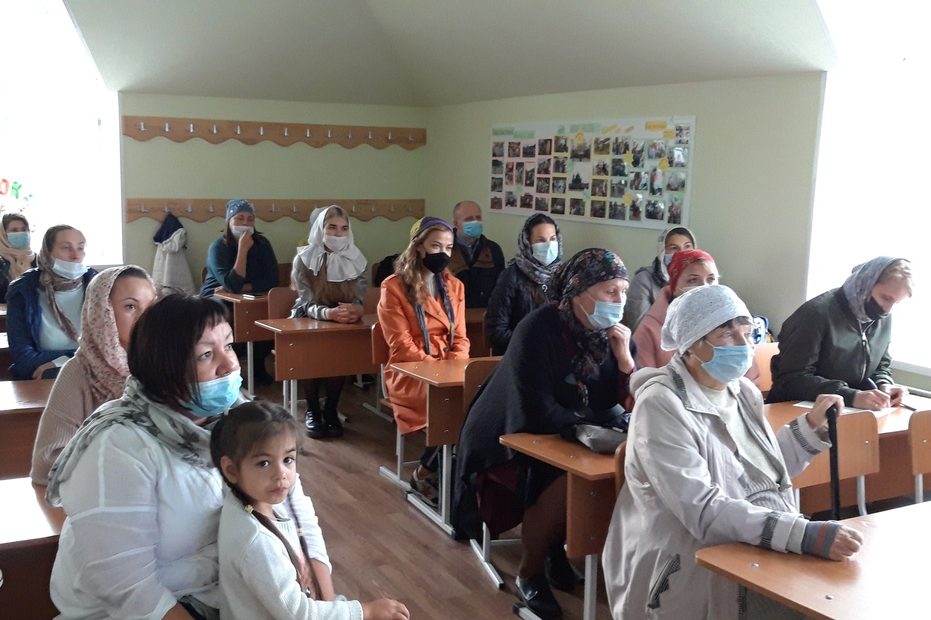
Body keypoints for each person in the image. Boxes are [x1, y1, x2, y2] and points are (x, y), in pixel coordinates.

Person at [46, 295, 336, 619]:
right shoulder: (119, 446)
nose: (230, 365)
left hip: (227, 594)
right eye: (206, 355)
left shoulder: (243, 421)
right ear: (164, 370)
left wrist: (324, 599)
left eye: (228, 346)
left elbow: (295, 509)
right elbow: (129, 589)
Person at [602, 285, 863, 619]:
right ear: (692, 343)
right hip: (693, 569)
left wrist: (810, 428)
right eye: (727, 334)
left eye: (748, 332)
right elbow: (702, 510)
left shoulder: (741, 392)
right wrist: (802, 534)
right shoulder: (661, 405)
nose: (743, 344)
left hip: (754, 550)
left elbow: (758, 474)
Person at [454, 248, 635, 620]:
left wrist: (624, 360)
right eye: (609, 291)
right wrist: (587, 427)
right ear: (578, 291)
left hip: (571, 429)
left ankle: (555, 547)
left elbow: (616, 404)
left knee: (596, 470)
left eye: (623, 291)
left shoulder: (610, 334)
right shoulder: (538, 328)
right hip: (509, 432)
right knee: (559, 477)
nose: (619, 301)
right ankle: (531, 571)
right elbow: (533, 408)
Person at [212, 400, 410, 620]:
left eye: (288, 459)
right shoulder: (256, 542)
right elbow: (299, 614)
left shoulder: (251, 500)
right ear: (231, 470)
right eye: (264, 463)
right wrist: (367, 611)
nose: (281, 473)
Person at [30, 265, 157, 483]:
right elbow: (47, 462)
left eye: (151, 306)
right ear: (102, 312)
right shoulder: (79, 371)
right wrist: (132, 466)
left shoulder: (169, 365)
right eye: (130, 306)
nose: (145, 317)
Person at [378, 216, 469, 504]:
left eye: (448, 247)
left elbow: (461, 338)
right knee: (453, 407)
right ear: (418, 247)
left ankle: (447, 472)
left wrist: (452, 365)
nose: (443, 253)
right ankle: (428, 471)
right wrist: (436, 370)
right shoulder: (394, 287)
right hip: (412, 371)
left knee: (479, 404)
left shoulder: (455, 286)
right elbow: (401, 345)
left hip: (449, 368)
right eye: (436, 246)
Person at [768, 257, 913, 408]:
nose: (888, 309)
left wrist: (884, 384)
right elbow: (791, 380)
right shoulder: (815, 314)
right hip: (795, 409)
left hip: (848, 410)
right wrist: (851, 396)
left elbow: (881, 365)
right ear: (867, 285)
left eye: (896, 302)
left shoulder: (880, 316)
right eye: (886, 298)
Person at [291, 205, 367, 439]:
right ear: (320, 229)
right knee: (309, 356)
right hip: (309, 317)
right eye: (332, 227)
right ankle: (313, 409)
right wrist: (328, 314)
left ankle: (331, 408)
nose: (338, 233)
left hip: (341, 321)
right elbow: (305, 302)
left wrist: (357, 309)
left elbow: (359, 298)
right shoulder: (304, 259)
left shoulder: (356, 258)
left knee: (339, 356)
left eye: (343, 228)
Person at [201, 199, 278, 384]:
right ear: (229, 221)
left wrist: (244, 287)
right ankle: (228, 367)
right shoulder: (218, 247)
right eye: (240, 218)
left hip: (252, 297)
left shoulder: (263, 244)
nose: (245, 223)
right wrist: (242, 250)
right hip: (216, 297)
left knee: (270, 314)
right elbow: (232, 284)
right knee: (226, 314)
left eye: (250, 219)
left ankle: (257, 365)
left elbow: (273, 280)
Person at [7, 225, 97, 380]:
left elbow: (107, 351)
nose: (75, 256)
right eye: (66, 248)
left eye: (80, 248)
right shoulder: (22, 290)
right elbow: (24, 359)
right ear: (47, 252)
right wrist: (82, 358)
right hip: (41, 379)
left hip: (92, 377)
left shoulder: (97, 285)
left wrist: (59, 362)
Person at [485, 213, 563, 355]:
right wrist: (534, 344)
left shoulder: (563, 276)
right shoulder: (511, 276)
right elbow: (496, 332)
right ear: (528, 243)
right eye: (540, 240)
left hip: (553, 357)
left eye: (553, 239)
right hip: (517, 357)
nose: (548, 245)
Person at [632, 249, 718, 369]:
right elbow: (642, 379)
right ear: (675, 287)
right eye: (693, 280)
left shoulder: (727, 322)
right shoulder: (649, 330)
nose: (704, 287)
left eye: (711, 279)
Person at [621, 225, 696, 332]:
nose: (682, 253)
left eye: (687, 246)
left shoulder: (700, 279)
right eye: (674, 248)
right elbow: (641, 329)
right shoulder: (644, 280)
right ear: (663, 252)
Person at [448, 200, 505, 308]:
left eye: (478, 218)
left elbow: (501, 289)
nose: (475, 222)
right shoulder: (444, 250)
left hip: (484, 313)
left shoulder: (493, 249)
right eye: (469, 219)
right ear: (456, 223)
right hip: (454, 313)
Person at [0, 212, 37, 303]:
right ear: (3, 234)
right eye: (14, 230)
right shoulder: (1, 262)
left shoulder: (39, 260)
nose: (20, 233)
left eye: (24, 229)